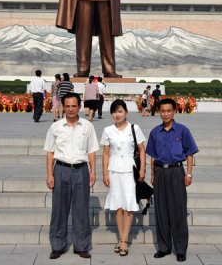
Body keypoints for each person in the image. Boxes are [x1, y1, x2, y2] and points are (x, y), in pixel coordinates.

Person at [44, 92, 99, 260]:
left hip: (81, 170)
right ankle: (58, 246)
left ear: (79, 107)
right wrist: (49, 174)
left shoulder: (87, 126)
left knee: (81, 209)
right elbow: (50, 153)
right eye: (67, 106)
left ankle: (81, 246)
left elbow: (91, 151)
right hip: (60, 170)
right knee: (59, 210)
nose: (71, 109)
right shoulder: (56, 127)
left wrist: (93, 171)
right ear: (63, 107)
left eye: (74, 106)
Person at [146, 98, 199, 262]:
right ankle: (164, 247)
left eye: (169, 110)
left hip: (176, 172)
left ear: (174, 111)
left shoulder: (183, 131)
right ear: (159, 112)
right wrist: (153, 175)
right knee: (161, 211)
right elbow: (153, 156)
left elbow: (189, 154)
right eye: (163, 111)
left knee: (178, 211)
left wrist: (188, 174)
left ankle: (181, 249)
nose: (166, 114)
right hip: (160, 173)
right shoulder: (155, 132)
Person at [100, 99, 146, 256]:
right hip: (113, 170)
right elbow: (105, 153)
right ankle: (120, 238)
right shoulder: (107, 130)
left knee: (128, 204)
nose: (117, 114)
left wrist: (142, 169)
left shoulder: (135, 128)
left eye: (120, 111)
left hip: (129, 169)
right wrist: (104, 173)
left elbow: (142, 149)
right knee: (117, 206)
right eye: (114, 111)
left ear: (126, 112)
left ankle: (125, 240)